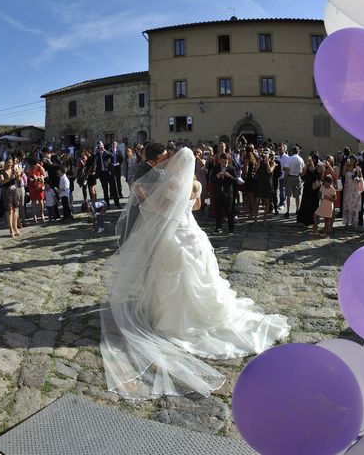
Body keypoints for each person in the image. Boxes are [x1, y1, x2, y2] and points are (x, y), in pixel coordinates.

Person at [100, 148, 289, 398]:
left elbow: (159, 208)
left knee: (172, 275)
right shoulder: (195, 183)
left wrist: (142, 195)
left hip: (176, 236)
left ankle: (172, 319)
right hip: (193, 234)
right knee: (196, 273)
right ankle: (191, 314)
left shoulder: (174, 182)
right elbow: (196, 206)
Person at [117, 142, 167, 245]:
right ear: (152, 162)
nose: (167, 161)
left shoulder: (164, 167)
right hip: (143, 209)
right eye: (163, 159)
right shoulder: (142, 173)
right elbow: (138, 190)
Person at [213, 152, 236, 233]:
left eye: (225, 162)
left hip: (228, 193)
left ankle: (231, 228)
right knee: (218, 211)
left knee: (229, 211)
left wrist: (229, 176)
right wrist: (217, 176)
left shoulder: (232, 168)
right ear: (219, 161)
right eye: (222, 162)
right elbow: (212, 180)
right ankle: (218, 227)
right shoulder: (215, 168)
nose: (224, 163)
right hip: (218, 193)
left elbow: (235, 181)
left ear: (228, 161)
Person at [0, 157, 21, 237]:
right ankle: (11, 228)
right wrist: (11, 177)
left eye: (11, 163)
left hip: (14, 190)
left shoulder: (13, 170)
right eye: (8, 162)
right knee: (9, 211)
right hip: (7, 191)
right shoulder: (1, 171)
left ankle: (15, 227)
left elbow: (18, 181)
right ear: (5, 163)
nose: (10, 164)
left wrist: (18, 175)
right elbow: (2, 181)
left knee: (15, 210)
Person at [343, 155, 364, 228]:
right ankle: (346, 223)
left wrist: (358, 179)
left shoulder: (357, 169)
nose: (352, 161)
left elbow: (361, 178)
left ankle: (354, 222)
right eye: (351, 159)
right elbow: (343, 174)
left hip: (355, 189)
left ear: (355, 160)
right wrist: (345, 164)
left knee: (354, 205)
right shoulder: (346, 167)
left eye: (353, 159)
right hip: (348, 189)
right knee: (347, 205)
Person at [284, 146, 305, 218]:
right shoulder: (301, 159)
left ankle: (288, 211)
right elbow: (303, 170)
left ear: (292, 151)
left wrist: (285, 179)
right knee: (297, 196)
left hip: (290, 177)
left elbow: (287, 170)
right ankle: (297, 210)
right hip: (297, 178)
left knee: (288, 196)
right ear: (298, 151)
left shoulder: (289, 159)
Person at [28, 158, 47, 223]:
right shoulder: (29, 167)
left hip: (39, 185)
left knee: (40, 200)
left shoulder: (39, 167)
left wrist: (40, 177)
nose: (33, 166)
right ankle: (34, 216)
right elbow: (28, 175)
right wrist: (30, 178)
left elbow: (44, 175)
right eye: (32, 165)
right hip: (32, 185)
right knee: (33, 201)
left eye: (34, 165)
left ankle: (42, 214)